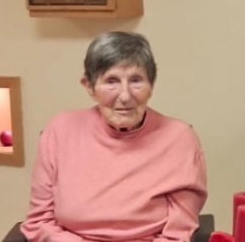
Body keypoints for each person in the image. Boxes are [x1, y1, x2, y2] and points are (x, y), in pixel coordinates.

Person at [21, 32, 208, 242]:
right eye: (111, 81)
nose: (125, 96)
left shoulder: (179, 139)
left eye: (136, 81)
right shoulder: (60, 130)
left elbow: (178, 234)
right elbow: (39, 222)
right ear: (89, 86)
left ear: (151, 86)